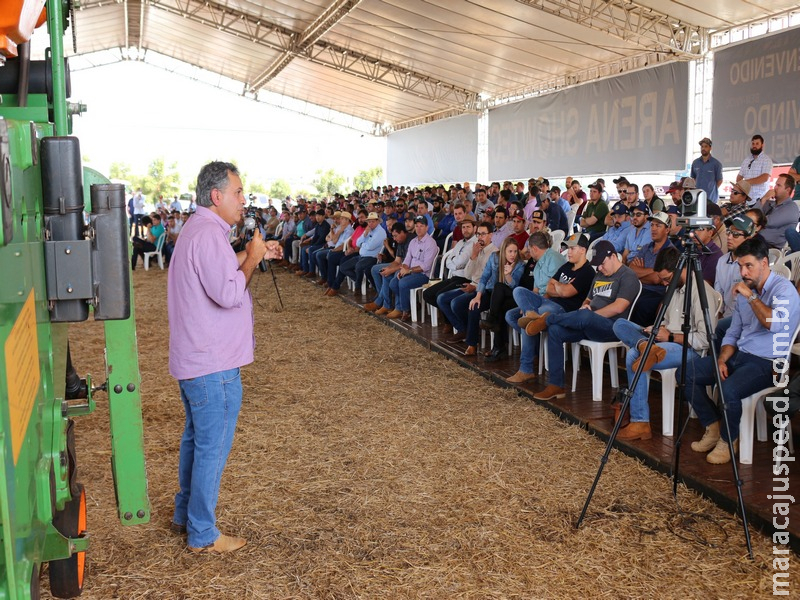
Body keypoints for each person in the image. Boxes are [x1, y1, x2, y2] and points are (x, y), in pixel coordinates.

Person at [168, 161, 281, 553]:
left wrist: (254, 253)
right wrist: (251, 257)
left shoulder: (198, 231)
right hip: (212, 364)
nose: (243, 200)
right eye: (238, 193)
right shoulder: (209, 236)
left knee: (197, 441)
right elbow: (229, 293)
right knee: (210, 448)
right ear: (216, 196)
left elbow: (218, 275)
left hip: (198, 359)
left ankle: (186, 515)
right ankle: (202, 533)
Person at [684, 238, 800, 464]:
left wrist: (751, 296)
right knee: (688, 372)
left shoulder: (783, 290)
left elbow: (772, 323)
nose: (743, 272)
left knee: (729, 389)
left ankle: (729, 440)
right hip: (741, 355)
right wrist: (722, 358)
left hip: (769, 362)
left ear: (764, 263)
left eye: (748, 266)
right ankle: (713, 426)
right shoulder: (747, 290)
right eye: (740, 266)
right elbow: (733, 332)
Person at [612, 247, 710, 441]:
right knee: (620, 324)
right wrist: (655, 329)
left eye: (667, 279)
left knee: (633, 356)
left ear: (681, 270)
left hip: (687, 349)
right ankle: (645, 346)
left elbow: (704, 339)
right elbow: (665, 320)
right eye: (663, 280)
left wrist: (671, 337)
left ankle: (641, 423)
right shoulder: (672, 286)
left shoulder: (701, 291)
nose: (664, 283)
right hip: (662, 340)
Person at [528, 240, 640, 400]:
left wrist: (590, 314)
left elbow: (618, 307)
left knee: (583, 316)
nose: (599, 268)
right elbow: (588, 299)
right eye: (598, 266)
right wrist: (584, 307)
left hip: (612, 327)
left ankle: (547, 319)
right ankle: (556, 385)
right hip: (588, 322)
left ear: (613, 256)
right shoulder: (600, 274)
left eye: (602, 264)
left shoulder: (627, 276)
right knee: (555, 331)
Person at [506, 234, 594, 384]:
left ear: (583, 250)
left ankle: (526, 369)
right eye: (568, 248)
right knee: (516, 299)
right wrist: (561, 287)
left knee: (528, 322)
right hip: (547, 302)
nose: (569, 252)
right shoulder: (567, 265)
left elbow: (566, 293)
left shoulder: (587, 271)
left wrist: (558, 287)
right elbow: (549, 287)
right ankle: (531, 316)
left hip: (562, 310)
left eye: (572, 248)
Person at [385, 215, 438, 321]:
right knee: (393, 283)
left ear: (427, 227)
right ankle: (411, 303)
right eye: (417, 226)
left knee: (403, 283)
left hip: (424, 275)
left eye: (421, 226)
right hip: (411, 272)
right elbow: (407, 260)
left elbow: (426, 267)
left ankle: (406, 311)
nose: (419, 228)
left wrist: (408, 270)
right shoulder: (413, 242)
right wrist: (403, 269)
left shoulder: (431, 243)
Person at [758, 173, 798, 249]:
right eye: (775, 184)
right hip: (756, 240)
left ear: (787, 190)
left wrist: (764, 199)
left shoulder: (791, 207)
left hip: (770, 247)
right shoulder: (770, 203)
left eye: (778, 185)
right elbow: (750, 217)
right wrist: (763, 200)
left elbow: (767, 222)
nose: (775, 188)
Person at [736, 134, 773, 202]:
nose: (754, 146)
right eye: (753, 144)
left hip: (760, 199)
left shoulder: (766, 160)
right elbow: (739, 177)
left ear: (762, 145)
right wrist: (740, 187)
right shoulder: (746, 160)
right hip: (746, 200)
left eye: (757, 144)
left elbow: (764, 178)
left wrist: (746, 182)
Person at [690, 137, 723, 203]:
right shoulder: (695, 163)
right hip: (697, 198)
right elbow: (693, 178)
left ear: (710, 148)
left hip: (711, 199)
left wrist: (711, 189)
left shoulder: (716, 164)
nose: (703, 148)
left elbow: (720, 180)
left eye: (706, 146)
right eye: (702, 146)